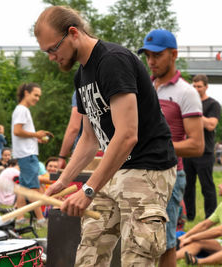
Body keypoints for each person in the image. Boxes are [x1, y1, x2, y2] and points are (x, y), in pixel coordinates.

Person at [35, 6, 178, 266]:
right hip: (114, 169)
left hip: (147, 169)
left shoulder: (113, 61)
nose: (51, 57)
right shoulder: (82, 76)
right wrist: (63, 181)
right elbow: (89, 139)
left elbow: (126, 135)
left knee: (137, 256)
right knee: (90, 248)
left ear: (73, 33)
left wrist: (88, 189)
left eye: (53, 49)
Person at [138, 29, 204, 267]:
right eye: (147, 55)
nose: (151, 61)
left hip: (170, 176)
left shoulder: (186, 92)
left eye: (157, 55)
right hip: (140, 176)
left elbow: (197, 145)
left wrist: (155, 147)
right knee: (142, 243)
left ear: (174, 54)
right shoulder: (144, 87)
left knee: (165, 245)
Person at [11, 82, 53, 227]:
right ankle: (41, 220)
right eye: (35, 95)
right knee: (34, 187)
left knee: (23, 188)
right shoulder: (22, 110)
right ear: (26, 93)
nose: (37, 98)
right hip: (28, 156)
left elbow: (20, 133)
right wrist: (36, 134)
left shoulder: (22, 110)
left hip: (25, 154)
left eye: (39, 96)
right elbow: (17, 131)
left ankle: (19, 218)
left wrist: (36, 138)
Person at [182, 74, 221, 221]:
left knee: (207, 186)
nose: (196, 89)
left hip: (205, 151)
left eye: (199, 86)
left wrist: (196, 113)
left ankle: (211, 218)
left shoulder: (213, 104)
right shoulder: (187, 103)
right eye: (194, 86)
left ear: (206, 87)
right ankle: (189, 216)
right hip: (188, 150)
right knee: (188, 186)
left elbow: (211, 125)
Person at [58, 91, 83, 168]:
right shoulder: (115, 84)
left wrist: (62, 156)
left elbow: (74, 128)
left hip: (84, 151)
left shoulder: (81, 90)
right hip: (111, 150)